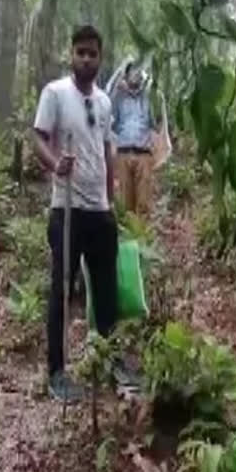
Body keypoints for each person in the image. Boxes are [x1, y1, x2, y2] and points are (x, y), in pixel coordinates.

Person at [33, 25, 135, 402]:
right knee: (63, 290)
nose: (86, 59)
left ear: (101, 57)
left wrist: (110, 202)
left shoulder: (106, 102)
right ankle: (57, 372)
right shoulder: (55, 93)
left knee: (107, 291)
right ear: (71, 54)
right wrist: (55, 163)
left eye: (92, 53)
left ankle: (109, 361)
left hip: (98, 211)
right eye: (81, 52)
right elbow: (39, 137)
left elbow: (108, 151)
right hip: (67, 209)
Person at [111, 61, 156, 217]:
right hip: (123, 153)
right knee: (124, 202)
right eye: (132, 72)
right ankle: (126, 240)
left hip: (144, 154)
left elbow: (156, 122)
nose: (136, 75)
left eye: (139, 72)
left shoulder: (149, 96)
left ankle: (142, 238)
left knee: (144, 203)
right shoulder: (119, 97)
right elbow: (111, 122)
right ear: (127, 75)